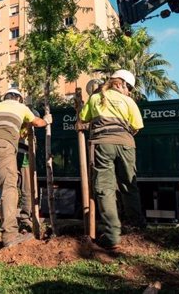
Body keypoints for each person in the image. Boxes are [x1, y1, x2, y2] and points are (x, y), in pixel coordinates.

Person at [0, 88, 51, 249]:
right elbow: (37, 122)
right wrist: (47, 120)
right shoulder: (20, 107)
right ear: (19, 99)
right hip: (3, 145)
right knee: (8, 188)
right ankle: (9, 235)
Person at [79, 69, 145, 250]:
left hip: (102, 145)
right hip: (126, 144)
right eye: (128, 87)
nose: (129, 91)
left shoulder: (96, 98)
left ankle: (112, 235)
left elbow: (82, 119)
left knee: (104, 188)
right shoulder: (129, 101)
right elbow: (137, 126)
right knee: (129, 185)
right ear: (119, 83)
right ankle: (137, 226)